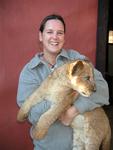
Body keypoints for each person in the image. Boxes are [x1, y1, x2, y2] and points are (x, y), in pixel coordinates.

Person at [17, 14, 109, 150]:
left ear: (64, 37)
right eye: (49, 32)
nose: (55, 37)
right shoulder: (30, 71)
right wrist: (66, 97)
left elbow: (102, 89)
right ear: (41, 36)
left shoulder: (77, 59)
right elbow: (33, 114)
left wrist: (74, 110)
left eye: (60, 33)